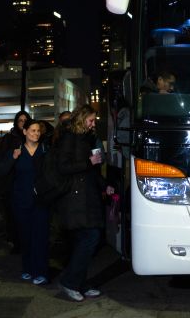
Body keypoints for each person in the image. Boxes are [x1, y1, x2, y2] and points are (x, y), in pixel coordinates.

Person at [56, 104, 115, 302]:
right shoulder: (69, 138)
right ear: (81, 119)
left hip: (88, 195)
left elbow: (93, 170)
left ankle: (78, 282)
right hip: (75, 198)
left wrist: (104, 185)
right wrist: (88, 163)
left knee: (88, 239)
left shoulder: (86, 138)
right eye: (90, 120)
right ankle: (70, 281)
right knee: (90, 237)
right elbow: (62, 167)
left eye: (93, 120)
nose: (92, 124)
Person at [0, 118, 50, 285]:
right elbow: (1, 171)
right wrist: (12, 158)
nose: (36, 133)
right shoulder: (17, 151)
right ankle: (28, 268)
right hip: (21, 201)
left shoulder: (45, 150)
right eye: (32, 130)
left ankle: (41, 272)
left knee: (40, 237)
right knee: (26, 237)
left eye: (38, 131)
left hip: (41, 201)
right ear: (25, 132)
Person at [0, 110, 31, 253]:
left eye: (25, 120)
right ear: (16, 123)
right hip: (11, 183)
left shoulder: (32, 137)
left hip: (27, 182)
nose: (22, 123)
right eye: (20, 120)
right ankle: (15, 242)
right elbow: (1, 162)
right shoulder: (9, 139)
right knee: (13, 216)